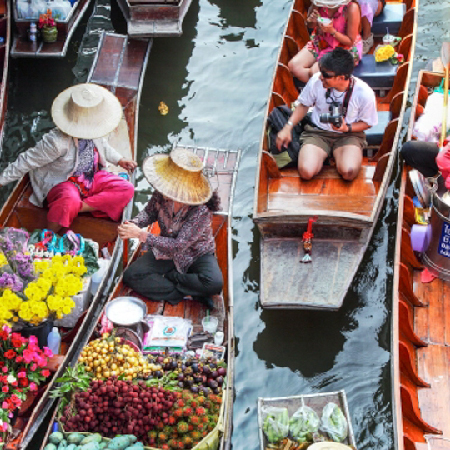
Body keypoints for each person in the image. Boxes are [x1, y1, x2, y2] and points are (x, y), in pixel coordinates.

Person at [0, 83, 136, 233]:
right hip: (64, 181)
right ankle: (50, 234)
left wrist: (120, 160)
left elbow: (103, 146)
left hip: (90, 177)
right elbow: (26, 161)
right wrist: (1, 181)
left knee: (126, 188)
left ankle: (76, 208)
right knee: (68, 200)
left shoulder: (95, 129)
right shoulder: (56, 142)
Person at [118, 147, 224, 310]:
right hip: (164, 251)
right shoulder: (161, 195)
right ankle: (184, 292)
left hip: (196, 253)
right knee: (131, 276)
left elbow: (179, 246)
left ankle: (172, 278)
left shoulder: (201, 210)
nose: (164, 190)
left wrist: (141, 235)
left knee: (214, 283)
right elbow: (149, 213)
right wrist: (134, 224)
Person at [277, 48, 378, 181]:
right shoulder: (316, 81)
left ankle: (332, 156)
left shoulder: (365, 93)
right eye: (321, 71)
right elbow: (303, 105)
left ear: (341, 77)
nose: (320, 76)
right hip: (318, 132)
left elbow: (367, 123)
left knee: (349, 172)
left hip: (348, 135)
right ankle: (324, 156)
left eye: (325, 74)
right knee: (306, 172)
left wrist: (346, 128)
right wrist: (287, 127)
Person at [288, 0, 363, 83]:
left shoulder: (352, 8)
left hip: (344, 48)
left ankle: (324, 88)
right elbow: (310, 25)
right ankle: (320, 88)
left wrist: (332, 31)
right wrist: (312, 21)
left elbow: (350, 41)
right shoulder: (318, 3)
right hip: (321, 42)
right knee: (293, 66)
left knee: (314, 73)